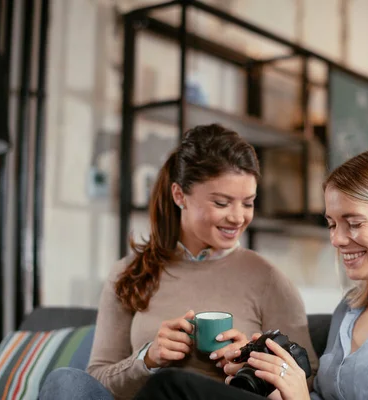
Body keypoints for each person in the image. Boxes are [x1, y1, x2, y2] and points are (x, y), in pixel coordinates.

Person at [136, 147, 368, 400]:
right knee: (172, 387)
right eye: (331, 224)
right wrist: (275, 380)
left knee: (170, 390)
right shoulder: (352, 308)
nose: (338, 239)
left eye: (353, 223)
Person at [39, 124, 318, 400]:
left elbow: (306, 381)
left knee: (173, 382)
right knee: (65, 381)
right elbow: (96, 381)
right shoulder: (128, 273)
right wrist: (146, 359)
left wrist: (250, 367)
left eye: (248, 203)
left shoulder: (269, 280)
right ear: (179, 195)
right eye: (222, 203)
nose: (237, 217)